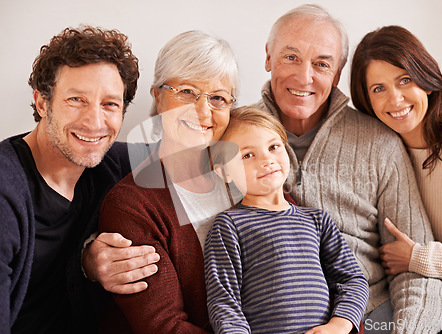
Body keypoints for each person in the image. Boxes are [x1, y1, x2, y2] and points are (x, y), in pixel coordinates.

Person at [254, 4, 442, 333]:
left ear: (338, 72)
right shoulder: (234, 136)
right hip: (273, 316)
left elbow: (416, 266)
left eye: (322, 63)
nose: (305, 77)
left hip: (372, 310)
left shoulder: (379, 142)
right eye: (291, 57)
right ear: (269, 56)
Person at [350, 25, 442, 333]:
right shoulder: (372, 152)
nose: (395, 99)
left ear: (426, 80)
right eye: (378, 89)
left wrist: (418, 257)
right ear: (365, 100)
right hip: (433, 283)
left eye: (405, 80)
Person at [97, 30, 241, 333]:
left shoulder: (247, 175)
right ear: (158, 97)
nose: (203, 111)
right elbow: (165, 326)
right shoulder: (131, 205)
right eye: (187, 91)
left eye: (217, 98)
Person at [0, 26, 141, 333]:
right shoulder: (5, 191)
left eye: (110, 104)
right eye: (77, 99)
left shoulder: (111, 164)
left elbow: (201, 158)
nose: (95, 122)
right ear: (42, 103)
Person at [204, 106, 369, 334]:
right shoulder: (229, 226)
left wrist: (339, 325)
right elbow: (224, 300)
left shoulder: (317, 220)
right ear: (224, 172)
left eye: (273, 147)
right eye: (247, 155)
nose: (266, 160)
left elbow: (352, 279)